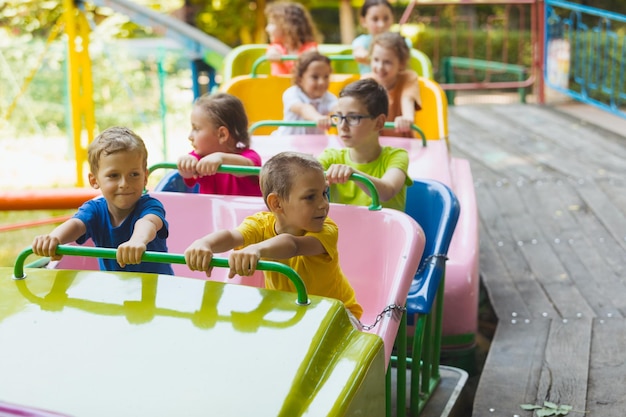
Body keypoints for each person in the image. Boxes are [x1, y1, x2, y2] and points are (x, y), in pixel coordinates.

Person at [184, 151, 363, 323]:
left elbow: (292, 245)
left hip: (337, 313)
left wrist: (257, 249)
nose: (323, 204)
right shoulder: (261, 224)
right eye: (310, 197)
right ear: (276, 203)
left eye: (324, 193)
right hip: (289, 313)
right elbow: (232, 236)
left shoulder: (326, 229)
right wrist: (204, 244)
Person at [32, 126, 174, 275]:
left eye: (134, 174)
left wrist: (137, 241)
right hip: (116, 290)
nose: (124, 183)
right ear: (94, 180)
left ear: (145, 177)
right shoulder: (95, 210)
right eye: (114, 175)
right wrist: (54, 238)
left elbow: (148, 223)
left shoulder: (150, 206)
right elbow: (76, 224)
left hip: (157, 291)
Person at [318, 78, 412, 211]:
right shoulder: (331, 157)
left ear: (379, 122)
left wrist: (353, 173)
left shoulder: (397, 156)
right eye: (339, 117)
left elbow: (387, 191)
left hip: (385, 230)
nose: (343, 126)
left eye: (353, 118)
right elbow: (304, 181)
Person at [177, 93, 262, 197]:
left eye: (196, 129)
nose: (190, 136)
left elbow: (247, 167)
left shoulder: (250, 156)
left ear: (222, 134)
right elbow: (187, 174)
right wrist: (186, 163)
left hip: (247, 213)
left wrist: (220, 157)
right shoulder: (199, 157)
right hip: (212, 212)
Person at [364, 31, 422, 138]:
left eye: (387, 62)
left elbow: (407, 99)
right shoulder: (367, 81)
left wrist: (407, 117)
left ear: (401, 64)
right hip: (374, 144)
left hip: (403, 144)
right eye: (376, 60)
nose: (380, 67)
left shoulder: (408, 78)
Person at [274, 51, 337, 136]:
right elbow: (303, 108)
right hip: (287, 141)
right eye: (315, 77)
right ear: (300, 79)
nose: (322, 82)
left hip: (314, 143)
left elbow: (338, 108)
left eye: (326, 77)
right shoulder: (292, 93)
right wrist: (317, 118)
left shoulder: (329, 97)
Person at [352, 0, 412, 75]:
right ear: (363, 21)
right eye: (375, 19)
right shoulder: (361, 41)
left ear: (392, 18)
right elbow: (359, 51)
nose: (381, 25)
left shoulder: (404, 42)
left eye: (386, 18)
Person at [264, 1, 320, 76]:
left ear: (287, 26)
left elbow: (312, 58)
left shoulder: (309, 48)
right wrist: (273, 55)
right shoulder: (276, 47)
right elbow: (272, 52)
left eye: (271, 24)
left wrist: (311, 58)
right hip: (279, 86)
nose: (267, 29)